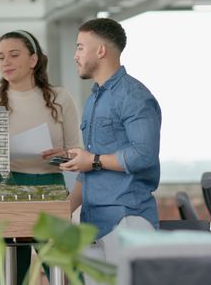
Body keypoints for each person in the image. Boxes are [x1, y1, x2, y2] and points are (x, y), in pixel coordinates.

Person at [60, 18, 161, 284]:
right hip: (93, 223)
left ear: (101, 51)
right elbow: (89, 169)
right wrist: (63, 210)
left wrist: (92, 160)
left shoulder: (134, 96)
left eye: (81, 47)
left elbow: (143, 154)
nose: (75, 55)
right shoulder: (95, 98)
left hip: (127, 221)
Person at [0, 30, 82, 284]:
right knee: (8, 275)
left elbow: (77, 154)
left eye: (14, 55)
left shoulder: (61, 98)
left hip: (52, 190)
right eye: (1, 57)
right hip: (8, 192)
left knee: (68, 274)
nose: (6, 62)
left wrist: (64, 155)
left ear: (33, 60)